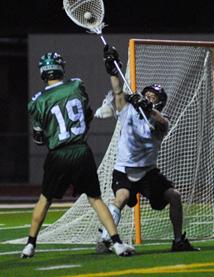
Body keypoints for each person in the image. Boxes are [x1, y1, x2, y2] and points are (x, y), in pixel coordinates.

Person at [21, 52, 134, 258]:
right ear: (60, 68)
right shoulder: (76, 86)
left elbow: (38, 138)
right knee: (95, 199)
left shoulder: (37, 101)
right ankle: (117, 243)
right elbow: (86, 114)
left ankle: (30, 244)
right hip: (81, 151)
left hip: (58, 154)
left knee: (45, 200)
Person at [96, 45, 200, 253]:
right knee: (121, 197)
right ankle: (105, 239)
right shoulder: (128, 111)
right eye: (147, 95)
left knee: (174, 196)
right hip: (124, 168)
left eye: (154, 97)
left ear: (160, 103)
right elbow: (118, 93)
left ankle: (178, 240)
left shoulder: (161, 122)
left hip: (148, 172)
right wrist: (114, 71)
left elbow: (161, 122)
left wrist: (148, 108)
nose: (149, 98)